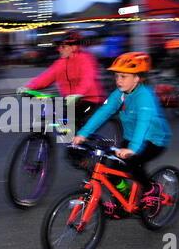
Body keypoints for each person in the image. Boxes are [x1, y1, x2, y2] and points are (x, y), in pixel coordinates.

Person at [72, 52, 172, 213]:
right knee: (113, 175)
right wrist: (83, 134)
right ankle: (122, 203)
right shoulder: (119, 94)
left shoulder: (144, 96)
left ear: (137, 78)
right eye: (117, 76)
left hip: (153, 140)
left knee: (133, 164)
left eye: (123, 76)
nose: (118, 80)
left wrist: (133, 149)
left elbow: (143, 123)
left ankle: (152, 190)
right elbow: (103, 113)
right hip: (131, 138)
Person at [16, 31, 106, 130]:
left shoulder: (86, 59)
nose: (59, 49)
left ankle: (80, 141)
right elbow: (46, 77)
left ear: (74, 47)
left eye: (63, 47)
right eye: (59, 46)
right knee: (58, 120)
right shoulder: (60, 63)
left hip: (89, 99)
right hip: (69, 100)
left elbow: (87, 78)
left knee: (74, 122)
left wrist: (78, 94)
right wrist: (29, 87)